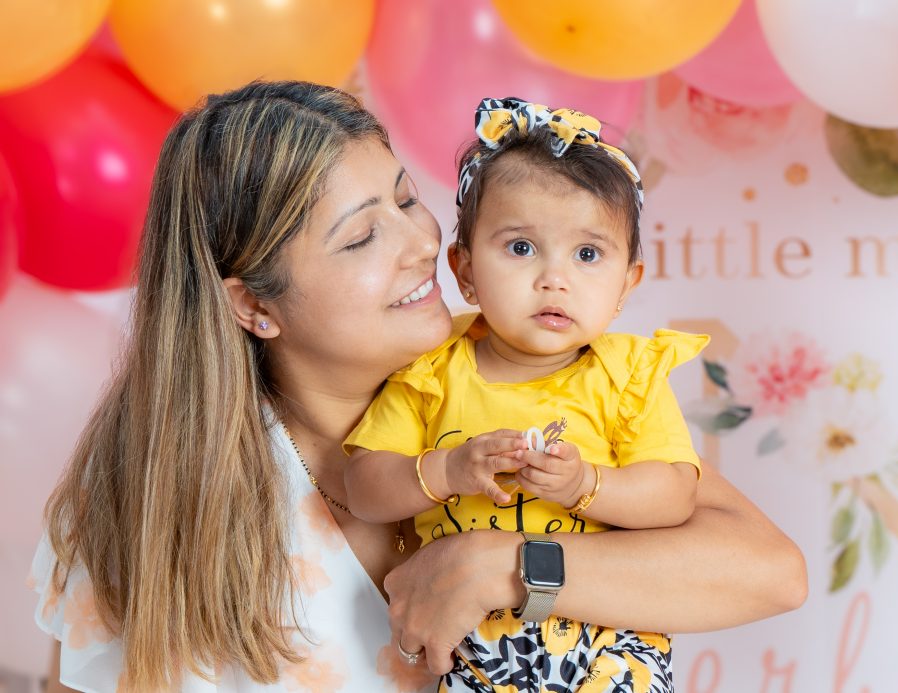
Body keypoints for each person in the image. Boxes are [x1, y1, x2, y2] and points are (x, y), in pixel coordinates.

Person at [30, 81, 806, 693]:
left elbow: (769, 569)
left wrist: (502, 563)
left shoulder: (512, 369)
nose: (423, 242)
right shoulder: (148, 494)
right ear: (255, 305)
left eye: (406, 199)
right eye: (362, 236)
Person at [345, 97, 707, 692]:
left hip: (609, 636)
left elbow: (673, 495)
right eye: (521, 248)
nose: (554, 279)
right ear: (465, 272)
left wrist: (585, 484)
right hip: (477, 648)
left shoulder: (628, 375)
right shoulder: (432, 371)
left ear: (626, 285)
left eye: (587, 254)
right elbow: (365, 487)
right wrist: (447, 469)